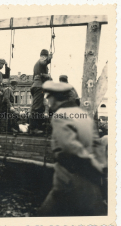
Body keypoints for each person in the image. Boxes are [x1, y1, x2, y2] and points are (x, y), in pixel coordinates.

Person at [37, 81, 107, 216]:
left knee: (43, 216)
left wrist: (88, 161)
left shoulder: (60, 115)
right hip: (90, 179)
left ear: (53, 98)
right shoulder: (84, 115)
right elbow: (96, 144)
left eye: (48, 98)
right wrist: (98, 167)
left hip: (67, 178)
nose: (48, 102)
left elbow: (70, 146)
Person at [29, 49, 53, 135]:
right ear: (44, 56)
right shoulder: (41, 61)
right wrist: (49, 58)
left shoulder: (37, 64)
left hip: (37, 86)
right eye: (45, 56)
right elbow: (44, 62)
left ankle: (37, 127)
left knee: (39, 106)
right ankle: (33, 128)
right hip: (39, 86)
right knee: (36, 107)